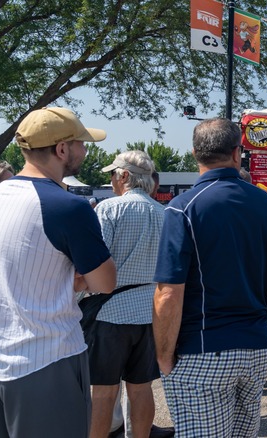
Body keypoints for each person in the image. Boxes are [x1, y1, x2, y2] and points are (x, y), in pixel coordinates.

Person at [153, 118, 267, 437]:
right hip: (254, 346)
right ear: (236, 153)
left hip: (202, 348)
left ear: (194, 154)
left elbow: (168, 294)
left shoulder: (183, 209)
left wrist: (162, 354)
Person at [0, 107, 116, 437]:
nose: (85, 150)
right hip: (47, 359)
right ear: (62, 149)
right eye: (81, 143)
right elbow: (105, 282)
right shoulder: (66, 206)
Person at [85, 151, 164, 438]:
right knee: (141, 389)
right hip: (149, 311)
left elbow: (96, 261)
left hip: (110, 312)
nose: (111, 180)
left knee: (104, 392)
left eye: (112, 174)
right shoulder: (163, 213)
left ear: (125, 176)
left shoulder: (109, 209)